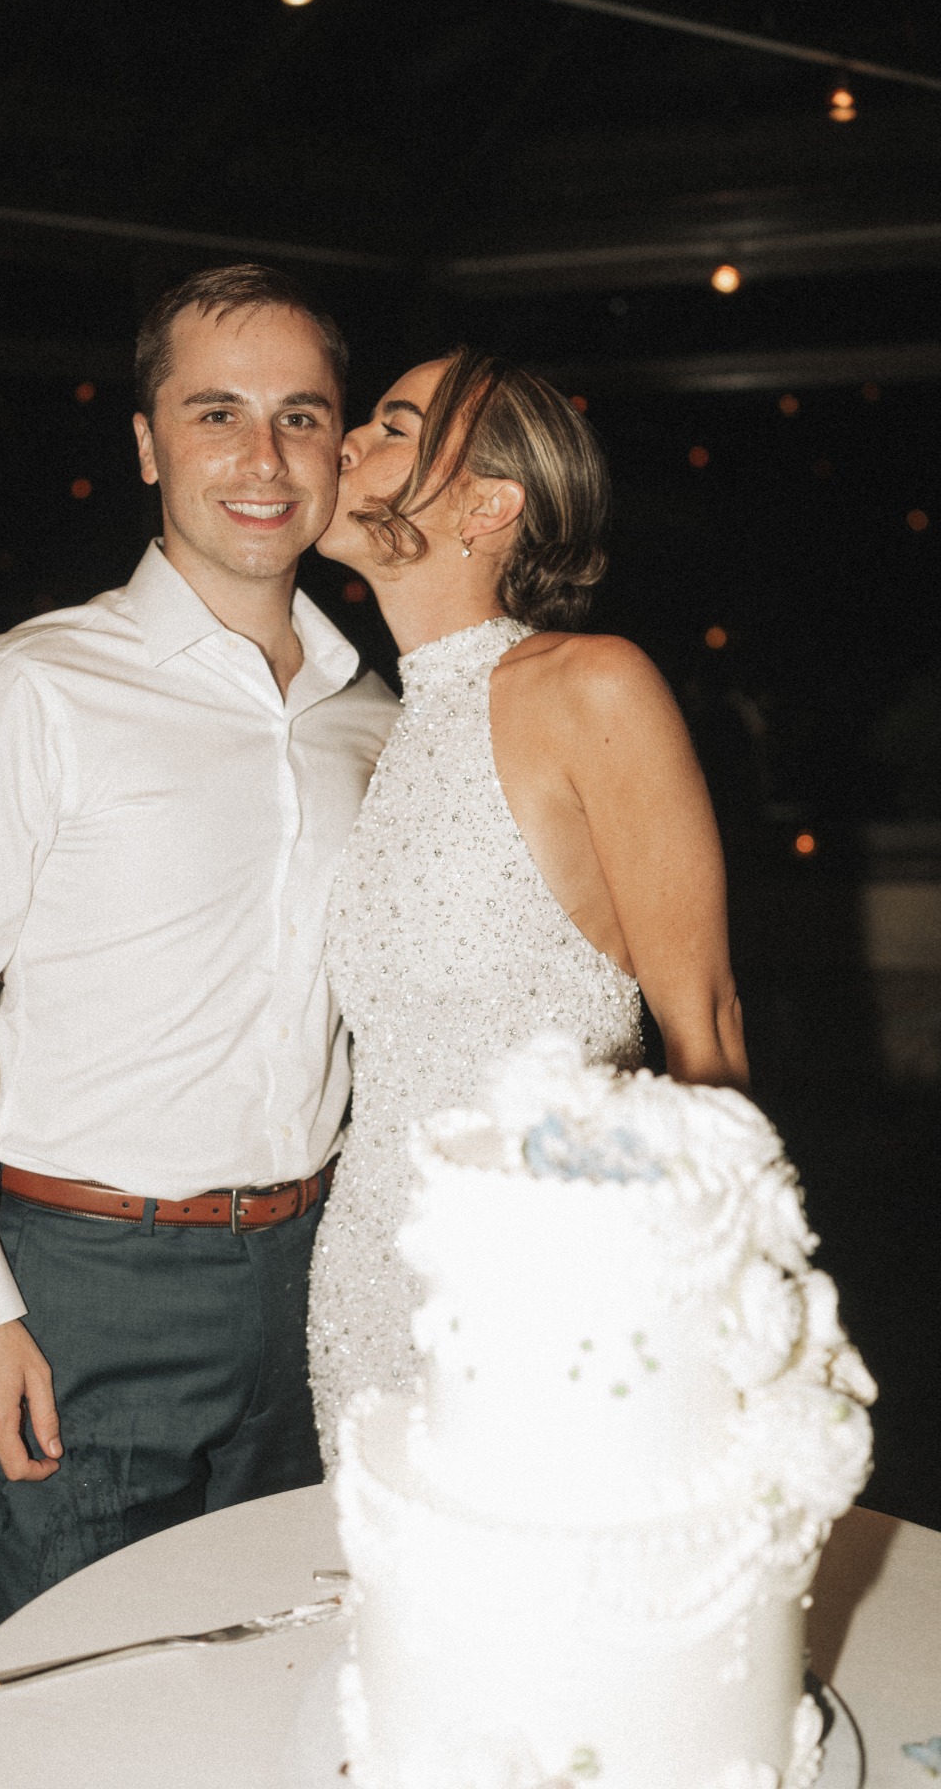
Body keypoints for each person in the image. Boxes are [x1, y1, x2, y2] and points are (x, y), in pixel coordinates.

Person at [0, 264, 398, 1626]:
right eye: (217, 414)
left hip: (314, 1275)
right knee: (90, 1689)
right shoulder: (35, 687)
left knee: (288, 1650)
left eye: (301, 416)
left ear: (339, 447)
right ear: (150, 444)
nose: (263, 458)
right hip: (89, 1287)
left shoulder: (374, 715)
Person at [307, 348, 749, 1467]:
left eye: (396, 427)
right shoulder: (396, 726)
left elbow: (705, 1036)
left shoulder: (589, 685)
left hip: (553, 1281)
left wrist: (704, 1300)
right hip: (369, 1275)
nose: (348, 440)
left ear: (491, 504)